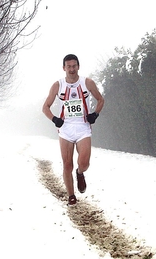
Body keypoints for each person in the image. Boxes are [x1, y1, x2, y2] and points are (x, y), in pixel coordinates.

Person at [42, 54, 104, 206]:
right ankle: (71, 196)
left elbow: (100, 100)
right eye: (68, 66)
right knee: (67, 164)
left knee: (84, 163)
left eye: (74, 66)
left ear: (78, 66)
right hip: (66, 129)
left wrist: (94, 114)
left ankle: (80, 173)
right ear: (64, 68)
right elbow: (45, 107)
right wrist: (55, 119)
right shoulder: (58, 85)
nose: (71, 69)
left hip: (83, 127)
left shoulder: (87, 83)